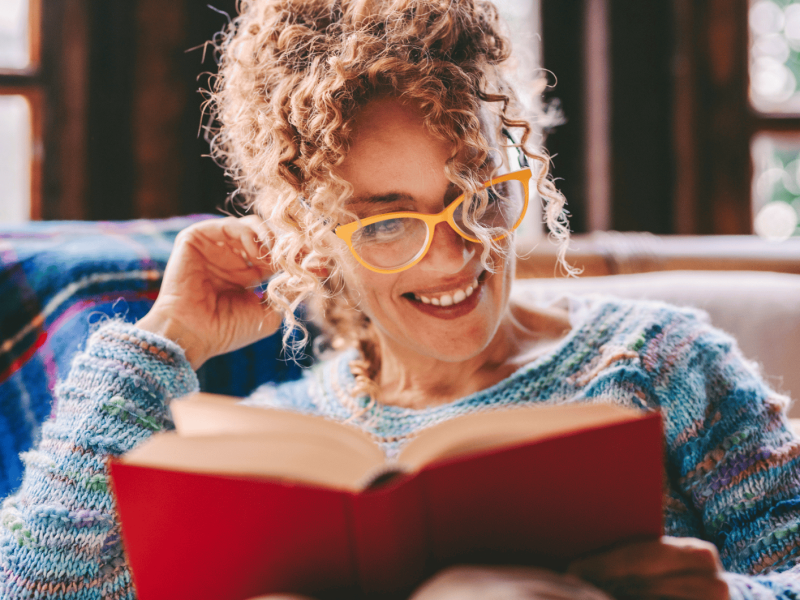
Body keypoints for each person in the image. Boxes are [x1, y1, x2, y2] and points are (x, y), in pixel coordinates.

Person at [1, 0, 799, 598]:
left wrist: (736, 596)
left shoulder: (664, 362)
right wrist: (163, 340)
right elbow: (38, 590)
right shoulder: (274, 446)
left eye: (477, 195)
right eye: (386, 223)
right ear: (308, 232)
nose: (455, 254)